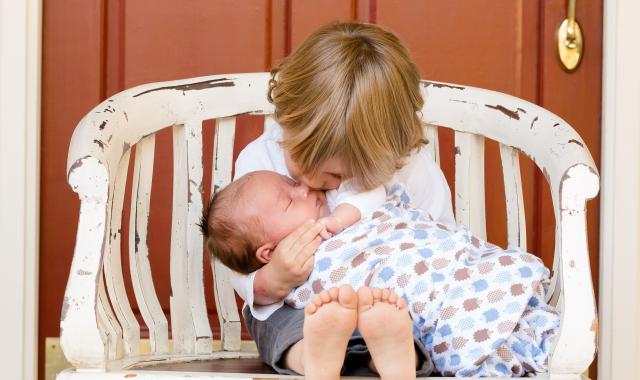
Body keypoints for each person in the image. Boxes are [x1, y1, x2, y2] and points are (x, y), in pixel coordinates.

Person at [203, 21, 455, 379]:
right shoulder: (259, 162)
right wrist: (270, 280)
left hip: (391, 304)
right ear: (286, 120)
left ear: (389, 153)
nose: (309, 185)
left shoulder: (411, 170)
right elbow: (239, 249)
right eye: (299, 165)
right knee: (272, 320)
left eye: (336, 178)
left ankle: (394, 357)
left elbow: (443, 243)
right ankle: (311, 356)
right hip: (305, 311)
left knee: (413, 324)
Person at [202, 173, 559, 377]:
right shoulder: (258, 170)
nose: (304, 188)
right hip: (355, 308)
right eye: (290, 200)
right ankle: (369, 356)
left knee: (387, 308)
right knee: (287, 314)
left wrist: (341, 218)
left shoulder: (344, 196)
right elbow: (252, 285)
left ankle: (387, 355)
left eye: (291, 183)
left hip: (429, 279)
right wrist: (276, 276)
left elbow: (385, 206)